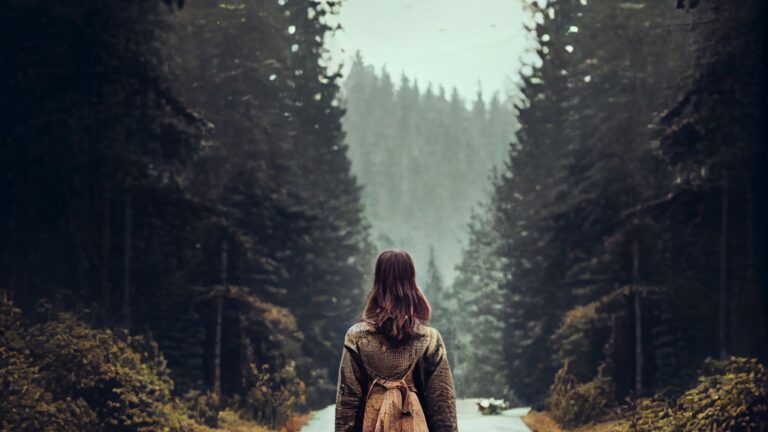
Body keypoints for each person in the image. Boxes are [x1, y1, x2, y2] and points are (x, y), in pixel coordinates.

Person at [335, 249, 458, 432]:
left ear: (378, 282)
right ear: (411, 282)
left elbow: (347, 404)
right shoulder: (429, 339)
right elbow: (442, 407)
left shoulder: (357, 337)